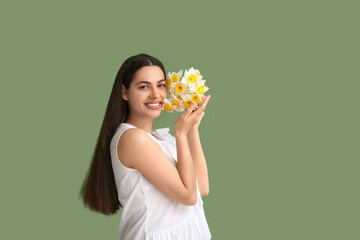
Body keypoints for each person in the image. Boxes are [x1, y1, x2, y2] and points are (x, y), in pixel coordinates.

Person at [79, 53, 212, 239]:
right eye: (144, 87)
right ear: (124, 92)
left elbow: (202, 188)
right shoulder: (133, 139)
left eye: (161, 85)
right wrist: (181, 133)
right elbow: (188, 197)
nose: (155, 95)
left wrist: (192, 130)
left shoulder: (159, 139)